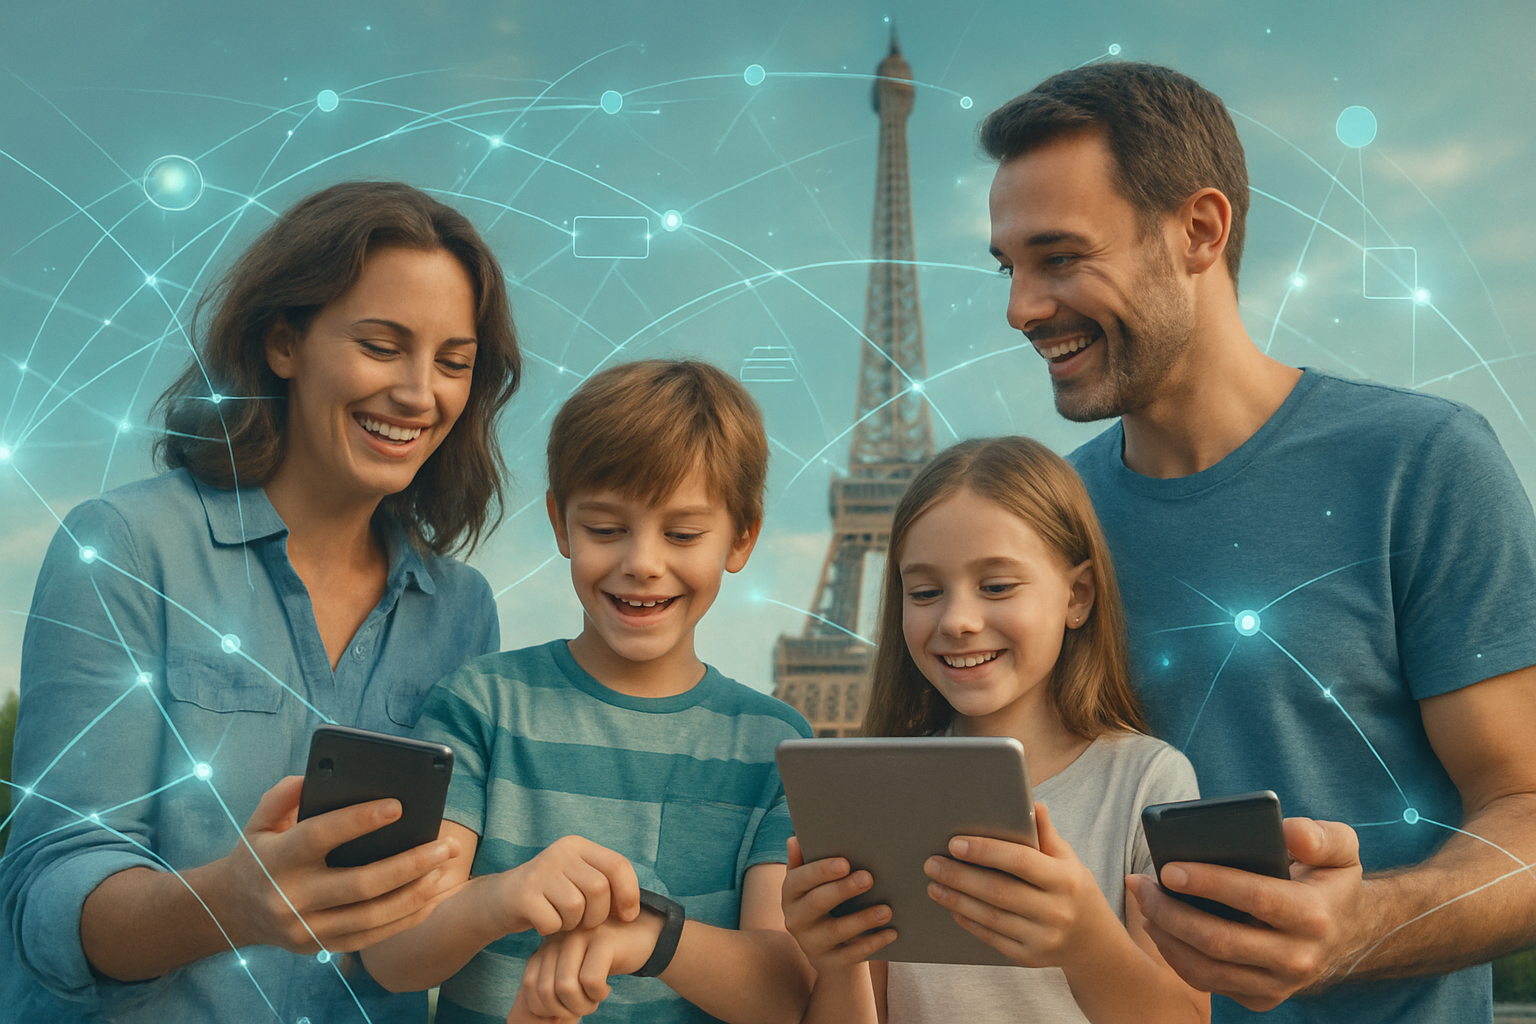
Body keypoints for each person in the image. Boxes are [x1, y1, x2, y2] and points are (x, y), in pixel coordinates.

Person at [981, 62, 1536, 1023]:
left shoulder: (1422, 465)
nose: (1020, 308)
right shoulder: (1040, 521)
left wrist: (1364, 924)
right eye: (1010, 267)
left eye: (1060, 257)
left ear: (1200, 230)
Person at [0, 181, 524, 1023]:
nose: (421, 394)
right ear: (283, 342)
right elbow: (46, 897)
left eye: (453, 362)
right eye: (383, 346)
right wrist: (226, 903)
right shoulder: (126, 547)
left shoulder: (463, 610)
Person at [360, 358, 816, 1023]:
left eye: (682, 534)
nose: (642, 562)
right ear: (560, 525)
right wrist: (503, 897)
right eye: (606, 529)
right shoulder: (479, 707)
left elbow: (789, 995)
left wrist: (654, 939)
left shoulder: (775, 748)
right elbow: (394, 954)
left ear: (742, 536)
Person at [781, 436, 1208, 1024]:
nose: (958, 621)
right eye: (926, 592)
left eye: (997, 586)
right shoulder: (879, 792)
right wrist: (836, 961)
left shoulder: (1149, 782)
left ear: (1077, 595)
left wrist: (1085, 941)